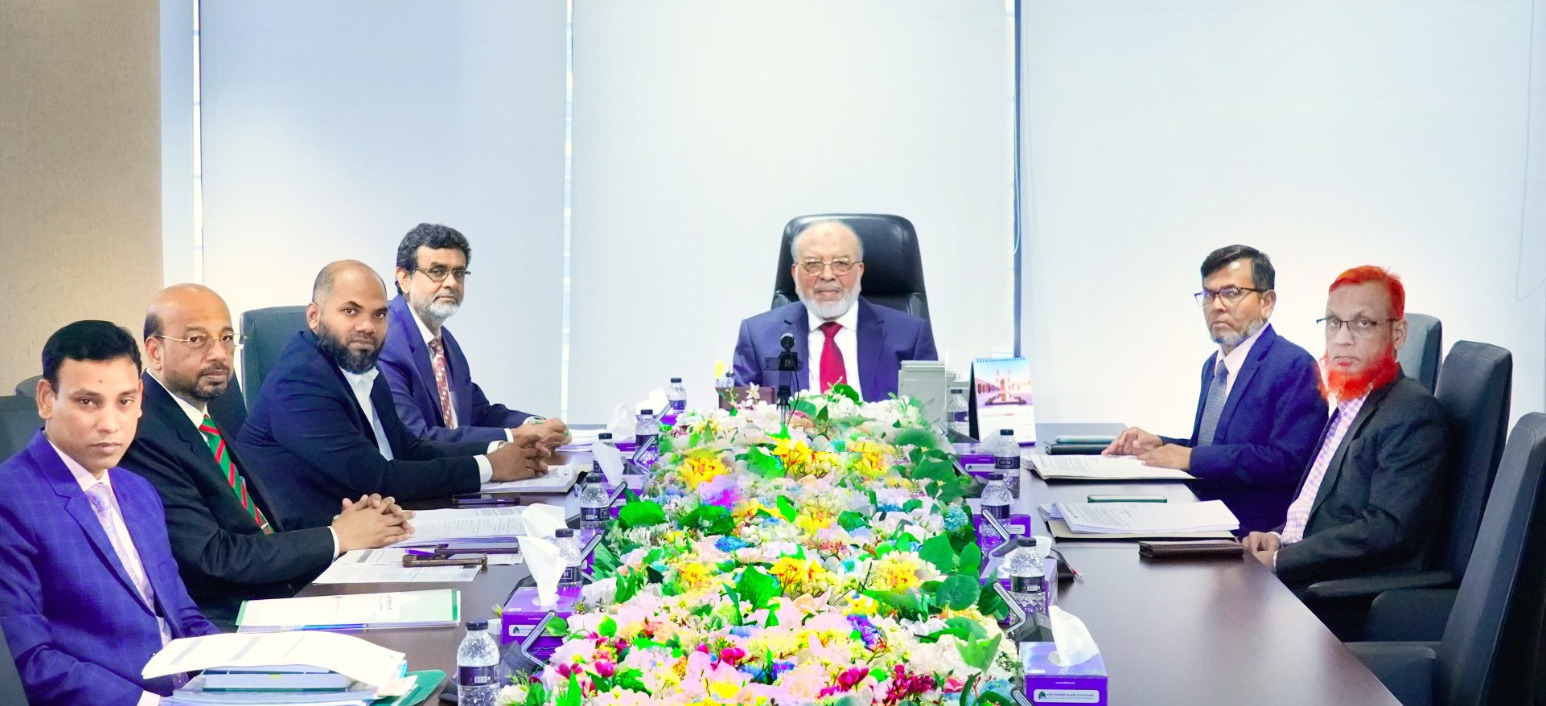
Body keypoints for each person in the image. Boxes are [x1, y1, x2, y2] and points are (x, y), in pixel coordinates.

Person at [121, 284, 415, 626]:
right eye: (197, 339)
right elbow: (214, 558)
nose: (219, 354)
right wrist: (337, 538)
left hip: (277, 592)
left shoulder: (203, 411)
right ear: (155, 352)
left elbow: (258, 528)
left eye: (226, 338)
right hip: (230, 620)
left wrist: (343, 525)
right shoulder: (145, 434)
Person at [0, 320, 220, 705]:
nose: (109, 424)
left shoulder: (139, 490)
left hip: (190, 693)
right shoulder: (11, 498)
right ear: (47, 399)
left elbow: (181, 613)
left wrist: (236, 668)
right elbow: (31, 660)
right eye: (88, 402)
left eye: (124, 402)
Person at [238, 261, 543, 530]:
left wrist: (498, 449)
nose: (367, 326)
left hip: (373, 524)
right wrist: (489, 467)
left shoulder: (362, 366)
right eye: (350, 311)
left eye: (379, 314)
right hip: (312, 545)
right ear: (314, 316)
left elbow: (408, 448)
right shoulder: (300, 381)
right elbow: (378, 478)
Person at [1243, 266, 1449, 586]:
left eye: (1362, 324)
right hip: (1301, 570)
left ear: (1398, 334)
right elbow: (1322, 511)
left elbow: (1386, 529)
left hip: (1335, 594)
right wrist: (1277, 538)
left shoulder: (1413, 414)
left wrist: (1280, 561)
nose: (1341, 340)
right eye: (1333, 323)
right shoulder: (1351, 402)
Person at [1104, 245, 1326, 532]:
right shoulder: (1213, 365)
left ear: (1266, 302)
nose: (1216, 306)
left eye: (1231, 293)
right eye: (1208, 294)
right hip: (1201, 518)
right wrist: (1160, 444)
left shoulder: (1295, 366)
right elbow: (1213, 447)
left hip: (1251, 534)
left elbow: (1289, 462)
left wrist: (1191, 458)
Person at [379, 223, 568, 449]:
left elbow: (477, 413)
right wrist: (515, 436)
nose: (451, 283)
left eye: (458, 273)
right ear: (404, 278)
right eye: (437, 271)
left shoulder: (442, 341)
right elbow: (415, 437)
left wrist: (535, 424)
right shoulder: (386, 340)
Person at [731, 220, 938, 402]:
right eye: (813, 264)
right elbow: (739, 417)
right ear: (795, 273)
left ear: (860, 270)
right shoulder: (757, 336)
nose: (827, 275)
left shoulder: (911, 335)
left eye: (841, 264)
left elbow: (930, 418)